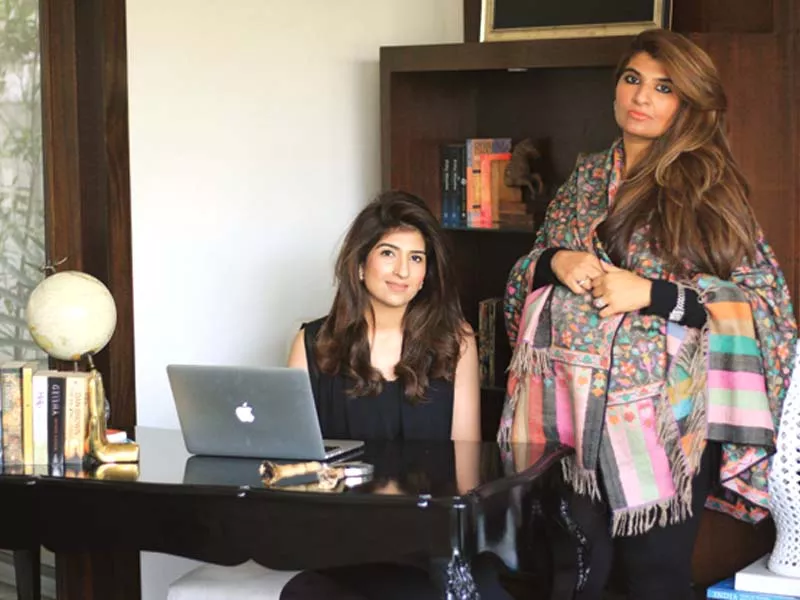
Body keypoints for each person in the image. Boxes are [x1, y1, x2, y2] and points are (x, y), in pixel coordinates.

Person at [500, 29, 797, 600]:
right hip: (570, 415)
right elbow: (523, 275)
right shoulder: (586, 179)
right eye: (633, 79)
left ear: (687, 104)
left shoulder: (709, 189)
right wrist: (556, 261)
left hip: (666, 422)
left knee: (652, 576)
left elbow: (763, 306)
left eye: (664, 88)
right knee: (575, 573)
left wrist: (652, 294)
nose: (642, 97)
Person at [280, 190, 513, 600]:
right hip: (345, 532)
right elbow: (295, 467)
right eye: (388, 253)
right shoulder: (313, 343)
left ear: (426, 275)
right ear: (359, 265)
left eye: (416, 258)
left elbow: (466, 464)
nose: (403, 270)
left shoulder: (456, 341)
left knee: (475, 583)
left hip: (430, 533)